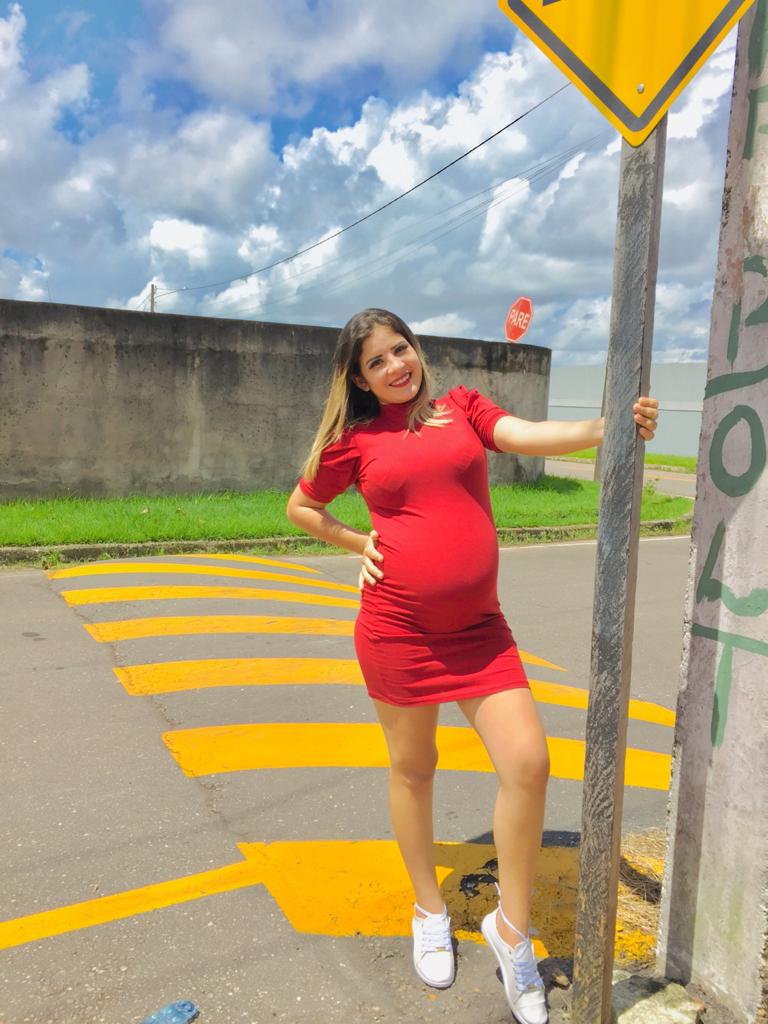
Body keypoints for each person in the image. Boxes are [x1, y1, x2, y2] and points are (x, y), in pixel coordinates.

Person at [286, 308, 659, 1024]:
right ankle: (429, 910)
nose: (396, 366)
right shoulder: (354, 440)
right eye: (376, 362)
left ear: (416, 349)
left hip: (480, 632)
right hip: (397, 631)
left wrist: (603, 428)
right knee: (413, 769)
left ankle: (511, 931)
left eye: (401, 349)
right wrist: (359, 541)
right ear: (358, 380)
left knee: (528, 763)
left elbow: (523, 433)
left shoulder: (459, 407)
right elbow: (301, 506)